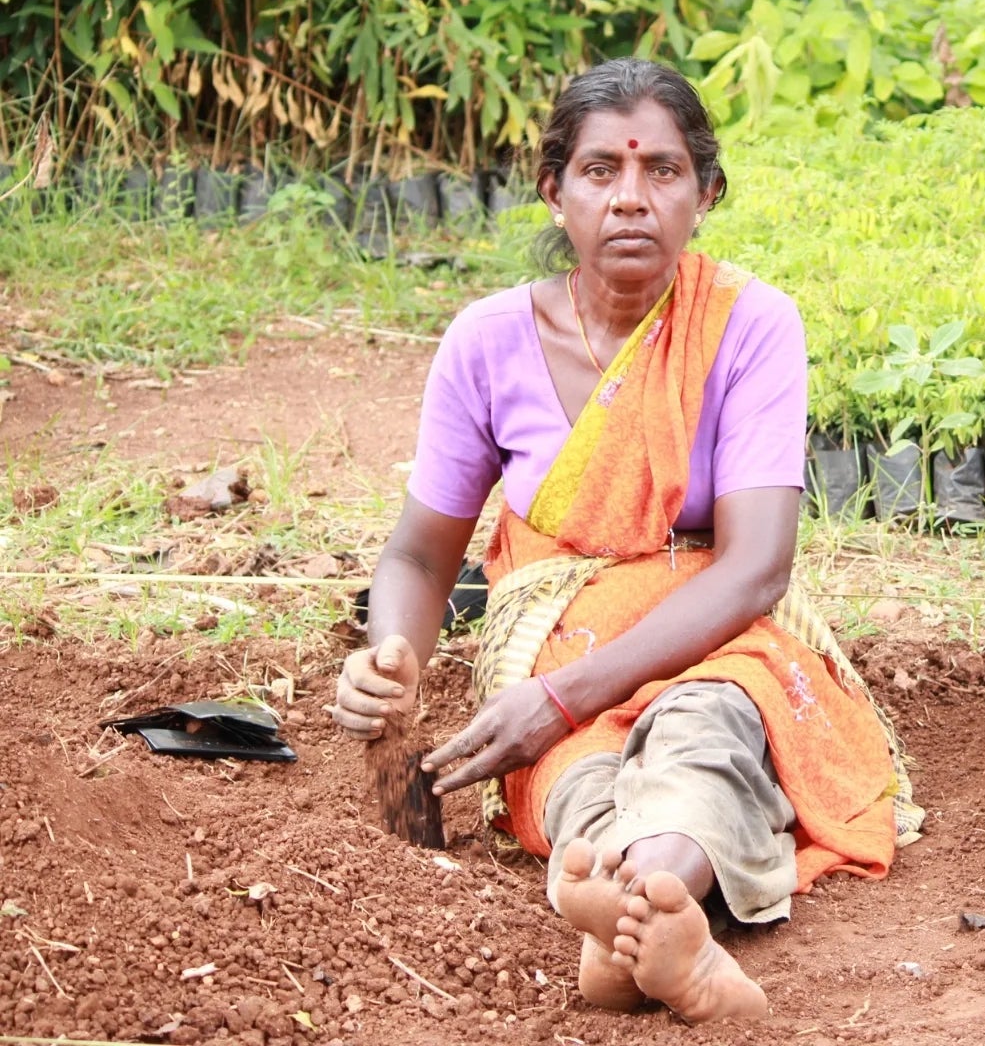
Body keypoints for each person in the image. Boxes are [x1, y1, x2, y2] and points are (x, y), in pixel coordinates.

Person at [325, 59, 921, 1023]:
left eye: (663, 172)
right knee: (574, 775)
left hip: (712, 636)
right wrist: (394, 655)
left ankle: (636, 910)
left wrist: (556, 703)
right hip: (558, 642)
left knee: (707, 732)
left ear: (706, 193)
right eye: (601, 172)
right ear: (553, 192)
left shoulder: (748, 327)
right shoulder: (486, 343)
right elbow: (419, 555)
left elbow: (758, 565)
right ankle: (653, 912)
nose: (631, 199)